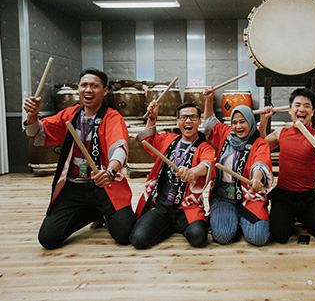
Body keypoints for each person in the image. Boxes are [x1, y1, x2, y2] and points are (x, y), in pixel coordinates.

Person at [23, 68, 135, 249]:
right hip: (74, 185)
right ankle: (93, 212)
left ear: (105, 91)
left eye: (95, 86)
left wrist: (111, 171)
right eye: (84, 85)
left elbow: (119, 148)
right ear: (78, 88)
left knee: (124, 234)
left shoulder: (112, 117)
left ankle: (102, 210)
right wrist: (32, 115)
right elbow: (37, 134)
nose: (88, 90)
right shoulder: (70, 115)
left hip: (104, 184)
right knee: (48, 239)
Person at [259, 88, 315, 243]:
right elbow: (262, 145)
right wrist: (264, 120)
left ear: (312, 111)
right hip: (284, 196)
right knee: (279, 235)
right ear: (290, 110)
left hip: (307, 197)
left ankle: (304, 216)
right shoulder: (281, 132)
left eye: (307, 105)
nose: (301, 109)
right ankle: (289, 216)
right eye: (297, 105)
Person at [131, 102, 215, 248]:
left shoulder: (204, 147)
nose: (188, 121)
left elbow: (206, 165)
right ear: (178, 121)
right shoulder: (168, 139)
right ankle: (168, 224)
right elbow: (147, 140)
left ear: (199, 121)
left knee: (198, 238)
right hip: (163, 204)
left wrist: (192, 171)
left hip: (187, 207)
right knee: (138, 239)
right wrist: (152, 118)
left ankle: (177, 223)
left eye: (193, 117)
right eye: (183, 117)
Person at [203, 86, 273, 246]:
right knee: (222, 236)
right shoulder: (226, 133)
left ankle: (242, 220)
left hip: (249, 195)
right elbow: (208, 124)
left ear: (250, 121)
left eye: (242, 122)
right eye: (234, 122)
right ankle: (232, 218)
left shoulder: (259, 143)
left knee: (258, 238)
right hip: (223, 196)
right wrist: (208, 99)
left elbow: (259, 164)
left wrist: (257, 179)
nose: (238, 126)